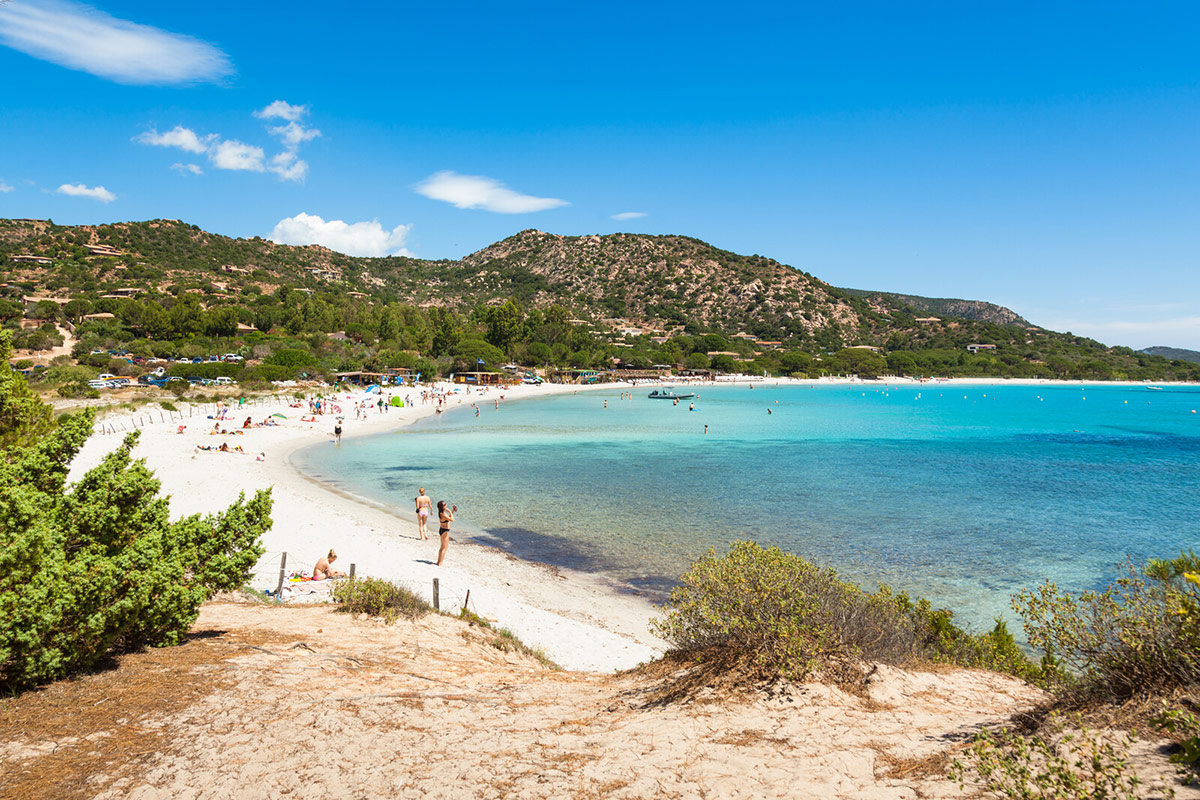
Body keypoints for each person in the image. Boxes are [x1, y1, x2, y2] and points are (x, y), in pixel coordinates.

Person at [436, 500, 456, 566]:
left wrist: (452, 511)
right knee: (444, 547)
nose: (446, 505)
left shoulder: (442, 513)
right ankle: (440, 563)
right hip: (444, 530)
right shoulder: (442, 514)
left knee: (442, 547)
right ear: (441, 507)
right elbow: (452, 520)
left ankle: (438, 561)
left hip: (443, 530)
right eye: (444, 505)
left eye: (445, 504)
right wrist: (450, 511)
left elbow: (449, 518)